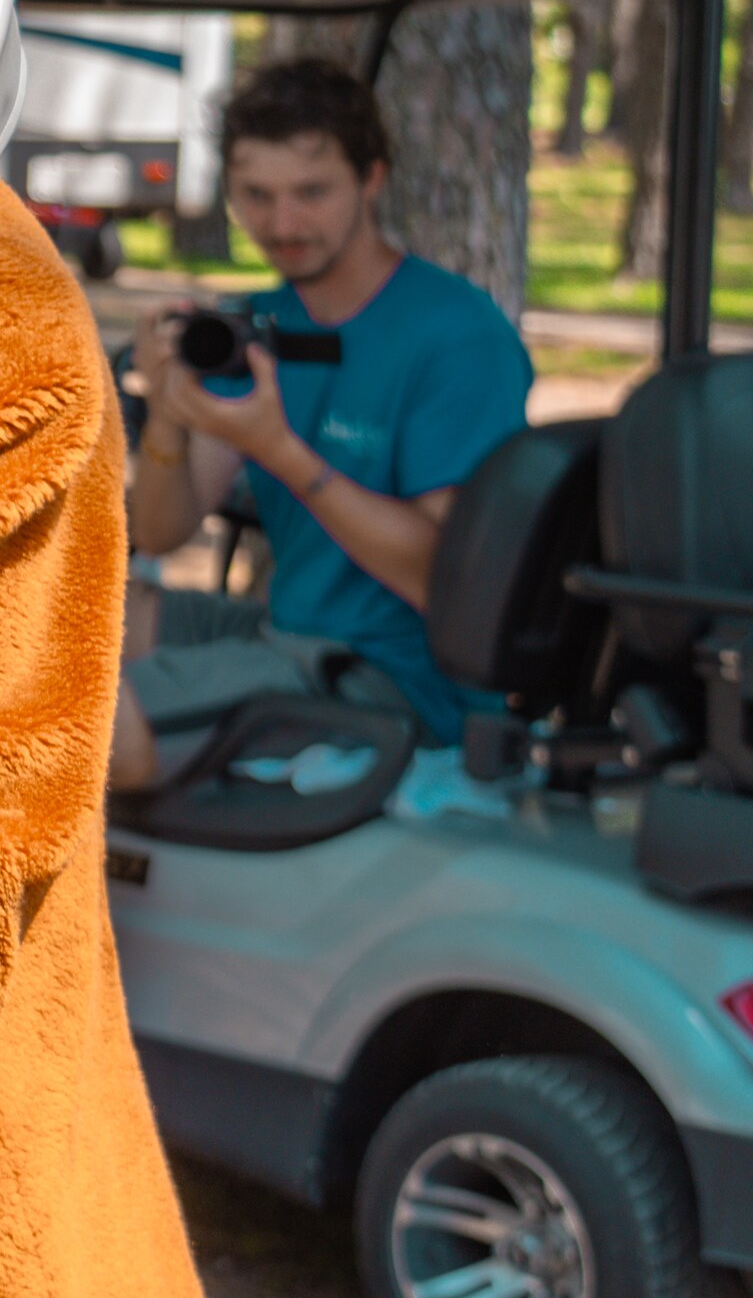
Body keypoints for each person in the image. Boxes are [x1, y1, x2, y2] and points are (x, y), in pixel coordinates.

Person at [115, 59, 536, 788]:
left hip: (396, 674)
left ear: (371, 179)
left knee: (88, 727)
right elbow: (159, 533)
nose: (282, 224)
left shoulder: (455, 337)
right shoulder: (257, 323)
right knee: (37, 626)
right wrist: (167, 417)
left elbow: (446, 584)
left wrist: (282, 453)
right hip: (285, 630)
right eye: (256, 195)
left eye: (311, 193)